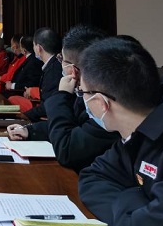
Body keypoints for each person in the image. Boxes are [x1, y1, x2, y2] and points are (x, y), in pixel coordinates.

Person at [77, 38, 163, 225]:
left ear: (100, 102)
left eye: (82, 93)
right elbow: (93, 177)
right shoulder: (142, 128)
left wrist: (132, 208)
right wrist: (137, 207)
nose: (82, 99)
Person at [7, 26, 119, 173]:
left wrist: (61, 95)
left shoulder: (103, 103)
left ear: (73, 70)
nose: (59, 63)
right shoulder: (83, 94)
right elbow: (72, 126)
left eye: (61, 59)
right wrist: (29, 130)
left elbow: (67, 150)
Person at [19, 27, 62, 122]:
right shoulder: (54, 64)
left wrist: (25, 115)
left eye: (33, 45)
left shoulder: (54, 70)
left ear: (38, 48)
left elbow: (48, 105)